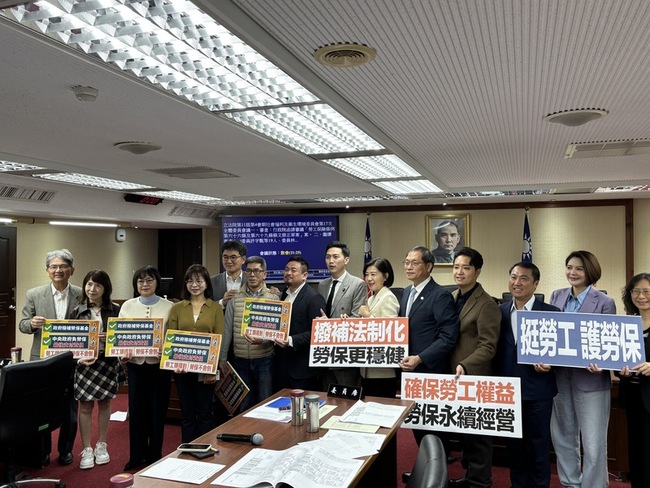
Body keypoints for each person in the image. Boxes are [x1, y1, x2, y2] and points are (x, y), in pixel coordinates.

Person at [549, 251, 616, 488]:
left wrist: (603, 363)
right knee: (563, 436)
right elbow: (550, 334)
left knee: (593, 441)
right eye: (569, 267)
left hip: (591, 379)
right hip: (560, 377)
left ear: (590, 271)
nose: (572, 272)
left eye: (579, 268)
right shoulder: (557, 296)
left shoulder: (605, 302)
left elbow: (609, 343)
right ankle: (570, 483)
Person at [495, 261, 559, 488]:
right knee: (514, 445)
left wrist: (551, 364)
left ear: (535, 283)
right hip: (507, 390)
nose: (517, 283)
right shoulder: (499, 312)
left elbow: (560, 352)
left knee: (539, 444)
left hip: (538, 390)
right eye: (513, 277)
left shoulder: (551, 312)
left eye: (523, 278)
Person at [18, 248, 81, 467]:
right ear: (47, 271)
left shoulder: (81, 294)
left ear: (72, 270)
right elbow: (22, 324)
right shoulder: (34, 294)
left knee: (70, 408)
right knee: (41, 407)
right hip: (42, 361)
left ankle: (66, 450)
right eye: (53, 267)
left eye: (63, 266)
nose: (58, 270)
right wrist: (32, 324)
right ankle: (42, 452)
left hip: (72, 359)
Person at [448, 248, 501, 488]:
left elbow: (488, 346)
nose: (459, 272)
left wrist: (465, 364)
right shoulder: (452, 297)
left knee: (478, 434)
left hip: (475, 376)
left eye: (466, 267)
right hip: (453, 376)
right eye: (456, 267)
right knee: (464, 429)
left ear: (477, 271)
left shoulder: (486, 304)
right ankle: (470, 476)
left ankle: (481, 482)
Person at [399, 246, 459, 444]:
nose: (408, 267)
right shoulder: (406, 292)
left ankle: (440, 463)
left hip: (430, 370)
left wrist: (420, 358)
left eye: (414, 263)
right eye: (406, 262)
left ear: (429, 266)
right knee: (417, 421)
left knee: (434, 426)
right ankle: (425, 460)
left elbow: (448, 337)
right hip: (409, 371)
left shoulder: (440, 295)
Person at [118, 265, 174, 471]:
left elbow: (174, 337)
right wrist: (122, 353)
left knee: (157, 411)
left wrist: (166, 350)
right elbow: (120, 338)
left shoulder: (170, 307)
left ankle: (154, 455)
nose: (145, 284)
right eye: (140, 281)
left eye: (149, 280)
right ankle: (136, 455)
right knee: (137, 411)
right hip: (135, 366)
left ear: (157, 283)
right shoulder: (127, 306)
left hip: (159, 367)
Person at [72, 269, 122, 470]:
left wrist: (110, 338)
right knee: (85, 406)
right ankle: (86, 448)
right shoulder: (76, 311)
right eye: (89, 284)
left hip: (107, 362)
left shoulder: (116, 309)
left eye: (98, 285)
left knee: (105, 403)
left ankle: (102, 444)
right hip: (85, 364)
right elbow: (68, 341)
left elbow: (122, 338)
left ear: (105, 288)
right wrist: (78, 360)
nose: (92, 289)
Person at [168, 264, 224, 443]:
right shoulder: (177, 308)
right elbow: (171, 337)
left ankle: (205, 448)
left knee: (205, 412)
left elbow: (219, 339)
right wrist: (175, 363)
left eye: (199, 281)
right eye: (190, 281)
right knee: (187, 414)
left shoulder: (215, 308)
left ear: (206, 284)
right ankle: (187, 449)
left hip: (205, 371)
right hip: (182, 370)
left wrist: (212, 370)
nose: (194, 285)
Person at [221, 256, 277, 411]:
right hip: (240, 361)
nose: (252, 275)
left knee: (265, 403)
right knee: (243, 405)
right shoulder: (235, 299)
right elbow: (227, 330)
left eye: (257, 271)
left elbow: (278, 332)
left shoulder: (274, 298)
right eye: (249, 271)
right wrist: (223, 359)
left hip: (264, 360)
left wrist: (263, 340)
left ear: (264, 274)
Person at [318, 240, 366, 388]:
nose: (331, 261)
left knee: (347, 393)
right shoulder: (322, 284)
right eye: (328, 257)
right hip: (324, 351)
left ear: (346, 260)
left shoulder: (357, 284)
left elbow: (357, 318)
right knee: (327, 394)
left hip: (344, 351)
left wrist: (331, 324)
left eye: (335, 257)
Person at [274, 256, 326, 391]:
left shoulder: (313, 298)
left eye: (293, 270)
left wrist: (290, 340)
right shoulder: (284, 295)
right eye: (286, 269)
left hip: (303, 370)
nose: (288, 273)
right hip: (281, 367)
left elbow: (317, 333)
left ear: (304, 275)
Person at [618, 273, 650, 488]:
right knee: (636, 453)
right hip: (632, 397)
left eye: (646, 291)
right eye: (636, 291)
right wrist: (622, 371)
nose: (641, 296)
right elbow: (617, 359)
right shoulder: (627, 324)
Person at [358, 257, 400, 398]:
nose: (369, 278)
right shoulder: (371, 298)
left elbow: (389, 333)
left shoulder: (388, 297)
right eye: (367, 274)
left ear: (386, 276)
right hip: (366, 368)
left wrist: (367, 316)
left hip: (382, 372)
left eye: (373, 274)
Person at [210, 240, 247, 310]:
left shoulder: (251, 280)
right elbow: (205, 308)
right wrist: (222, 302)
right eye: (225, 257)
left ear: (243, 259)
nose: (229, 261)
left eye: (233, 257)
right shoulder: (212, 282)